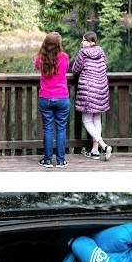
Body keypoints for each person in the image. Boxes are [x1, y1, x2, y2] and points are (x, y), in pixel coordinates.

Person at [33, 32, 71, 168]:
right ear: (59, 44)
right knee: (61, 130)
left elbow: (36, 65)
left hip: (46, 97)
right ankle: (61, 161)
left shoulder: (40, 59)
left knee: (48, 129)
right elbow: (66, 69)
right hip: (62, 97)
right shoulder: (64, 57)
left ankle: (47, 160)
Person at [73, 32, 111, 160]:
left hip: (88, 89)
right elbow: (105, 66)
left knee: (87, 120)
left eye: (83, 40)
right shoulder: (101, 51)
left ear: (90, 42)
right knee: (97, 120)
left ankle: (103, 146)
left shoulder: (82, 53)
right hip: (101, 88)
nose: (82, 42)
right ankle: (95, 151)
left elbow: (75, 70)